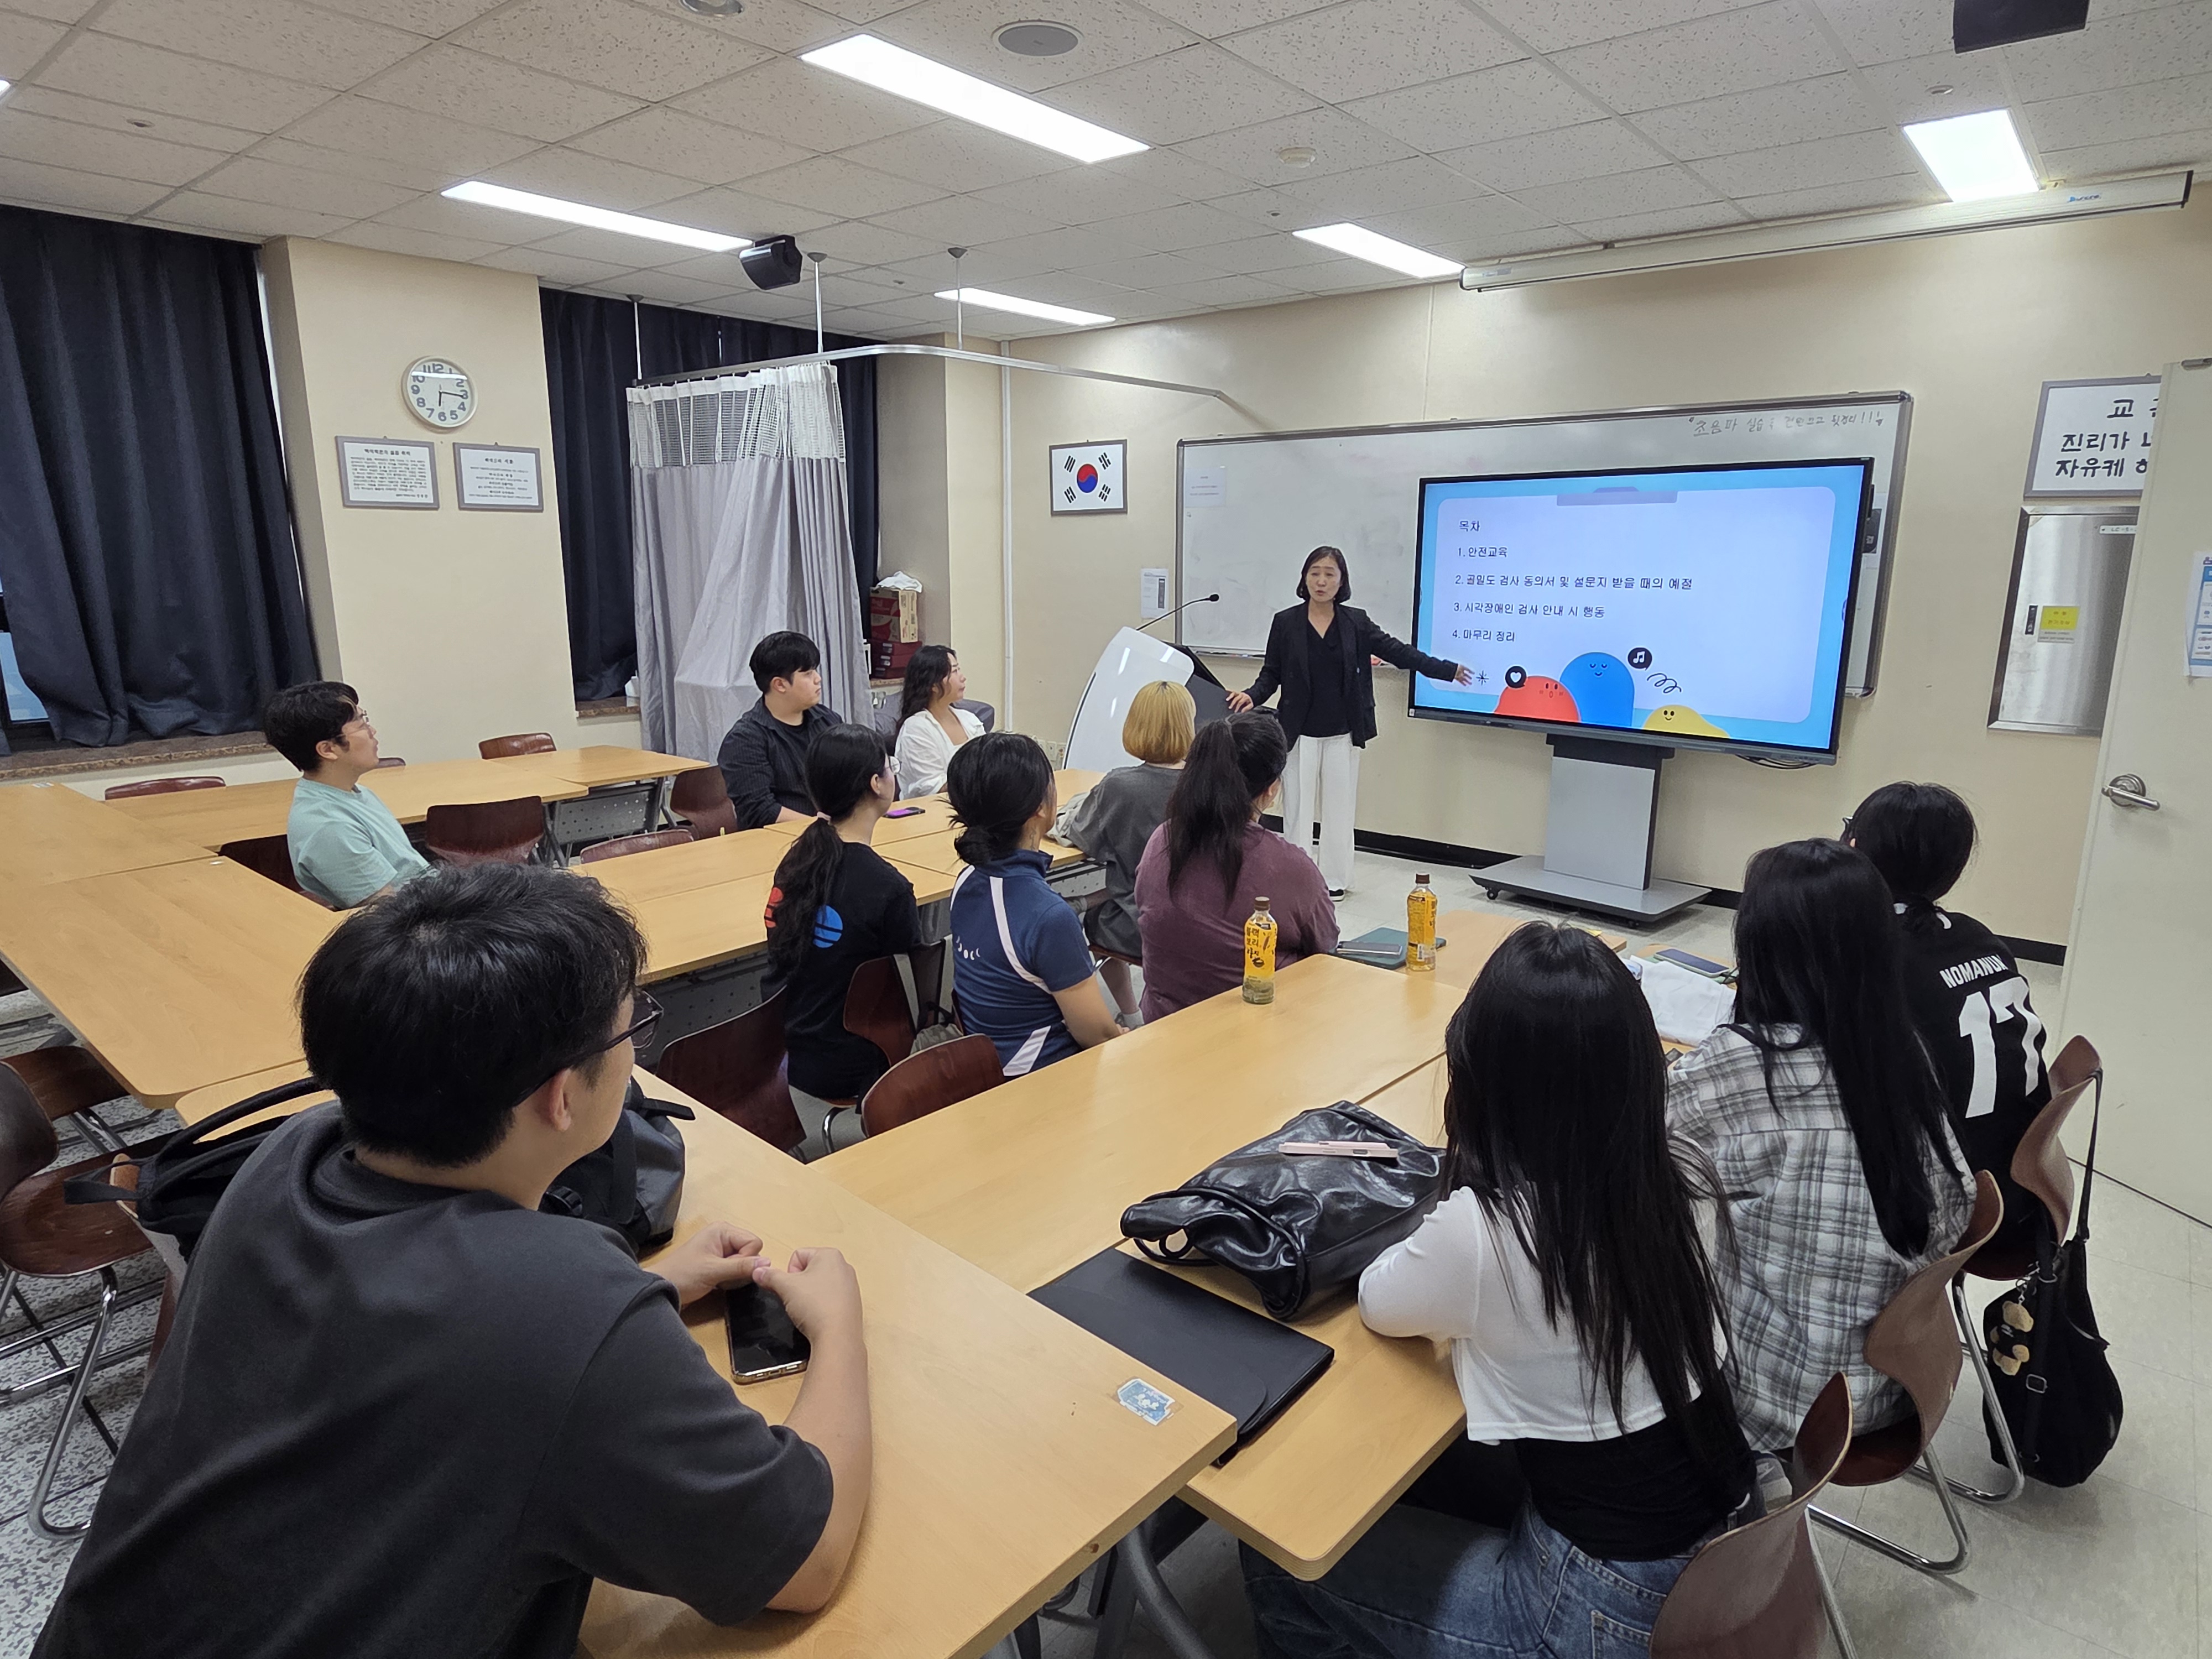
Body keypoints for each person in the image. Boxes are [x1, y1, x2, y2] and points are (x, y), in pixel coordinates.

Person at [34, 864, 872, 1659]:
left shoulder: (292, 1156)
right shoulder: (560, 1310)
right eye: (633, 1030)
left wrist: (649, 1287)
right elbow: (807, 1559)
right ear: (563, 1095)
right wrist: (837, 1328)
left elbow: (405, 1349)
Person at [1243, 924, 1752, 1658]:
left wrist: (1454, 1204)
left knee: (1279, 1560)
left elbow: (1382, 1304)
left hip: (1595, 1610)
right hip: (1721, 1551)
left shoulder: (1486, 1232)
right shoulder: (1682, 1170)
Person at [1666, 838, 1976, 1456]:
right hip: (1892, 1381)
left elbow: (1631, 1139)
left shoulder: (1749, 1063)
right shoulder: (1899, 1049)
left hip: (1778, 1400)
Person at [1848, 781, 2052, 1255]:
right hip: (2021, 1176)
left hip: (1953, 1194)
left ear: (1858, 850)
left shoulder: (1876, 957)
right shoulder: (1978, 936)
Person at [1227, 546, 1473, 900]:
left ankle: (1334, 880)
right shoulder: (1286, 622)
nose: (1321, 581)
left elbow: (1398, 652)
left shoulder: (1356, 622)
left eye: (1330, 574)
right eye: (1315, 572)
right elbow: (1272, 674)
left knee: (1340, 810)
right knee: (1297, 810)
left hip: (1343, 731)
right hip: (1297, 732)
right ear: (1304, 577)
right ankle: (1295, 878)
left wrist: (1446, 670)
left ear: (1342, 581)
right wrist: (1253, 695)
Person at [763, 723, 925, 1159]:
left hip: (799, 1051)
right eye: (889, 767)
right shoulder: (889, 888)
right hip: (856, 1067)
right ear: (877, 784)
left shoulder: (797, 861)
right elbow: (914, 1001)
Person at [1133, 712, 1337, 1023]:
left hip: (1163, 1024)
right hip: (1254, 1034)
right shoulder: (1290, 867)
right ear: (1271, 790)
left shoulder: (1163, 838)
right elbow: (1325, 947)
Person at [945, 731, 1122, 1076]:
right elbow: (1097, 1035)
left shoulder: (966, 881)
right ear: (1040, 808)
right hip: (1040, 1080)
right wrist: (1121, 1035)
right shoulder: (1048, 917)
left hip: (987, 1066)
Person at [1056, 680, 1196, 1019]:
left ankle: (1131, 1015)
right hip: (1199, 919)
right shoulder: (1203, 783)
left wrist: (1073, 807)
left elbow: (1075, 833)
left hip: (1138, 924)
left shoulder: (1119, 785)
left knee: (1096, 919)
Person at [264, 679, 430, 909]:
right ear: (328, 749)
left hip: (430, 899)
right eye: (361, 725)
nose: (373, 731)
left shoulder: (355, 793)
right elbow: (390, 912)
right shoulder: (328, 827)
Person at [717, 631, 844, 828]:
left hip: (834, 834)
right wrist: (823, 826)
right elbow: (760, 810)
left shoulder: (828, 721)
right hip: (778, 842)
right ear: (780, 685)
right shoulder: (745, 739)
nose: (818, 679)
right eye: (808, 673)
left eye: (816, 671)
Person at [892, 644, 984, 799]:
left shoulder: (969, 719)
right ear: (934, 685)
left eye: (958, 669)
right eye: (954, 671)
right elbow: (932, 787)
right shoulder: (917, 729)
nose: (962, 677)